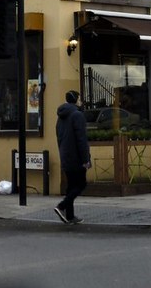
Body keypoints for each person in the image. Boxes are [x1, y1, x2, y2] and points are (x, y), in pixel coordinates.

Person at [54, 90, 91, 225]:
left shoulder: (61, 117)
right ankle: (62, 206)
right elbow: (81, 139)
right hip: (76, 157)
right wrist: (86, 159)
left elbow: (59, 136)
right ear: (75, 100)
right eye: (79, 99)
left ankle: (69, 216)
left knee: (71, 186)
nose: (80, 101)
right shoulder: (77, 115)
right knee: (81, 184)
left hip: (65, 155)